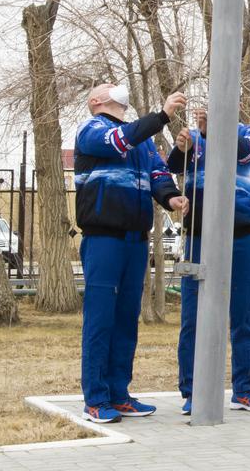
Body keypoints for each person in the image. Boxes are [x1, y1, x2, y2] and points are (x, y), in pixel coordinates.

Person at [74, 83, 188, 423]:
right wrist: (162, 116)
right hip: (103, 240)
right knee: (100, 320)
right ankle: (95, 399)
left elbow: (158, 174)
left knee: (126, 320)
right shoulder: (93, 130)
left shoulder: (140, 141)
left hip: (136, 241)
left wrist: (172, 198)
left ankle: (119, 394)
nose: (116, 88)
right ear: (96, 101)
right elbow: (118, 142)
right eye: (108, 88)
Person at [167, 108, 250, 415]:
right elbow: (174, 165)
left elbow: (246, 153)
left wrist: (213, 131)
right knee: (193, 316)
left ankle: (245, 390)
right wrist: (181, 146)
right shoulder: (194, 138)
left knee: (244, 314)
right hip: (200, 236)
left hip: (241, 235)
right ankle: (192, 391)